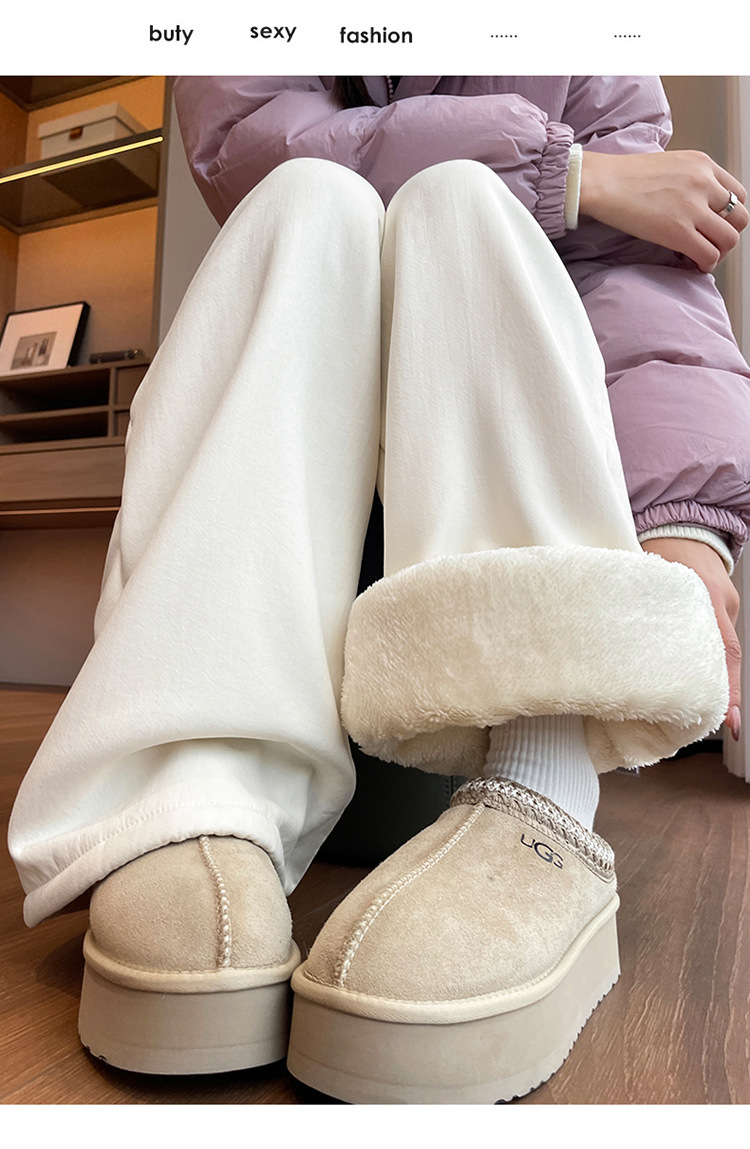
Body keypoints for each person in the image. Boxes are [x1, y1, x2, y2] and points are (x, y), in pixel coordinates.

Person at [7, 75, 750, 1104]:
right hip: (305, 540)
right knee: (306, 201)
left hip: (450, 596)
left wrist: (686, 524)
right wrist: (575, 174)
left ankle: (539, 777)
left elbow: (645, 304)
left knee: (462, 199)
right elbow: (254, 146)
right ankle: (197, 777)